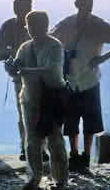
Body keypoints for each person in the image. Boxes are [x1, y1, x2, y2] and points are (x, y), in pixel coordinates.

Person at [49, 0, 110, 173]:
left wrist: (102, 58)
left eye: (88, 2)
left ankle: (79, 155)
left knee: (81, 120)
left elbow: (49, 38)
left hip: (80, 79)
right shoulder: (90, 24)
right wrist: (102, 58)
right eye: (85, 2)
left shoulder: (74, 23)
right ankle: (79, 155)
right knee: (78, 120)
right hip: (80, 79)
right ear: (78, 4)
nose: (87, 6)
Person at [12, 11, 69, 190]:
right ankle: (33, 178)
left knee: (55, 140)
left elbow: (51, 72)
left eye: (37, 26)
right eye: (31, 26)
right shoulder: (24, 47)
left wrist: (24, 70)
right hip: (29, 98)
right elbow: (17, 68)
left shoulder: (55, 46)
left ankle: (60, 179)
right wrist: (12, 67)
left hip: (52, 99)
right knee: (32, 141)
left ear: (45, 26)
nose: (33, 30)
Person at [0, 0, 34, 161]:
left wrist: (9, 52)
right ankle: (32, 148)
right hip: (30, 75)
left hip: (25, 75)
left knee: (25, 113)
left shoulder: (9, 25)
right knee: (29, 112)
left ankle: (28, 148)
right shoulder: (34, 23)